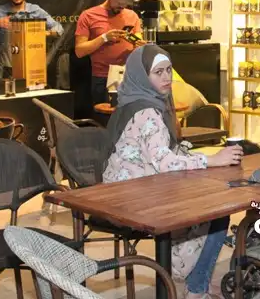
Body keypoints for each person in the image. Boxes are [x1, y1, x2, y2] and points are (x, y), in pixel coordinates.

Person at [103, 45, 242, 299]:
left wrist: (193, 157)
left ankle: (194, 279)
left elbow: (157, 154)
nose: (167, 77)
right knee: (217, 212)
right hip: (132, 199)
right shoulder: (147, 112)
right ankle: (195, 285)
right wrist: (212, 160)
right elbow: (165, 163)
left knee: (203, 199)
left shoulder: (131, 100)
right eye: (158, 72)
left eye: (168, 70)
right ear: (143, 76)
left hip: (121, 191)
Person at [75, 0, 145, 106]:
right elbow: (79, 51)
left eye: (125, 4)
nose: (121, 7)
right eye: (118, 2)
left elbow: (138, 42)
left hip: (128, 76)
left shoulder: (132, 16)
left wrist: (139, 45)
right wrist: (104, 38)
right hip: (103, 78)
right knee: (105, 116)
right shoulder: (88, 15)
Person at [0, 0, 64, 80]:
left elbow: (59, 28)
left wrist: (46, 33)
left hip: (31, 67)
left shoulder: (35, 10)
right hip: (7, 67)